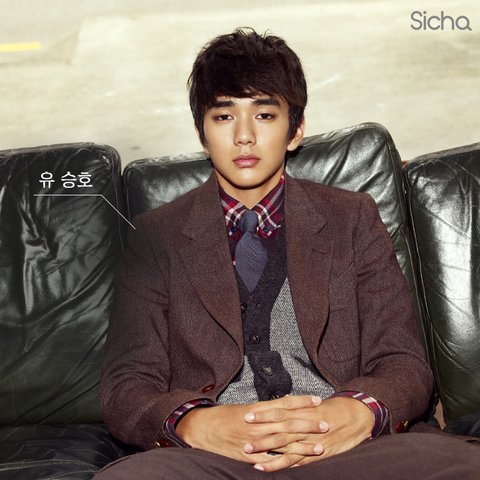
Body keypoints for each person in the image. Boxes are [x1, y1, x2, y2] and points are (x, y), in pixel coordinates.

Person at [95, 28, 480, 479]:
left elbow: (404, 361)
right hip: (217, 460)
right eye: (223, 116)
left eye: (264, 115)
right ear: (202, 133)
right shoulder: (156, 235)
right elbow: (127, 386)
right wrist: (196, 423)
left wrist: (355, 413)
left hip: (346, 450)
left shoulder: (351, 217)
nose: (244, 136)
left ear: (295, 130)